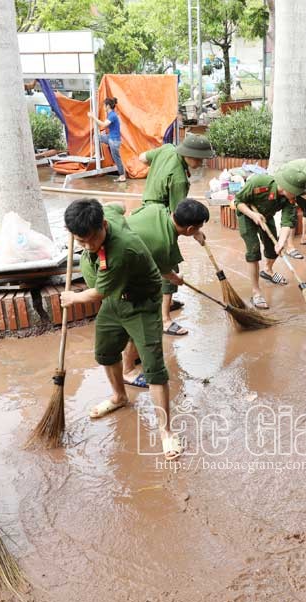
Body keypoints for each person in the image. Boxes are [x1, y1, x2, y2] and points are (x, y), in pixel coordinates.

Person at [59, 199, 184, 460]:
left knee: (154, 369)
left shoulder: (122, 250)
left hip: (141, 304)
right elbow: (116, 205)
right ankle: (119, 397)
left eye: (91, 240)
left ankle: (166, 431)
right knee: (105, 353)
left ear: (103, 226)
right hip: (116, 303)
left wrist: (72, 298)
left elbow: (99, 293)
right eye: (80, 242)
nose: (87, 247)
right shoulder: (105, 217)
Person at [124, 199, 209, 346]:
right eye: (198, 227)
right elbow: (168, 274)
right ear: (189, 230)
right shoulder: (162, 246)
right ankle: (131, 358)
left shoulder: (156, 208)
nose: (198, 230)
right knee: (145, 305)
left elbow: (132, 214)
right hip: (111, 265)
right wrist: (177, 279)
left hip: (122, 247)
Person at [233, 168, 306, 310]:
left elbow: (287, 222)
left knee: (272, 249)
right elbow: (238, 201)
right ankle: (256, 291)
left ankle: (267, 270)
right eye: (296, 192)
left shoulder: (290, 199)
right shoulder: (259, 182)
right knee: (254, 251)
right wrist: (253, 215)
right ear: (287, 187)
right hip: (247, 215)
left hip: (266, 216)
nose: (297, 196)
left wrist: (281, 243)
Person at [139, 134, 216, 214]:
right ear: (188, 155)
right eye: (199, 159)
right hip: (159, 214)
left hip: (145, 206)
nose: (201, 164)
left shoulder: (167, 148)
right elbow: (177, 214)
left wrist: (159, 167)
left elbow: (142, 158)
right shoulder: (179, 180)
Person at [94, 97, 126, 183]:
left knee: (117, 158)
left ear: (108, 106)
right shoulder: (110, 115)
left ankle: (122, 176)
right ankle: (96, 155)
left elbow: (104, 125)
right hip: (111, 138)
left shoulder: (112, 115)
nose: (103, 107)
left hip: (114, 141)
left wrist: (93, 117)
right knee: (97, 136)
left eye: (104, 105)